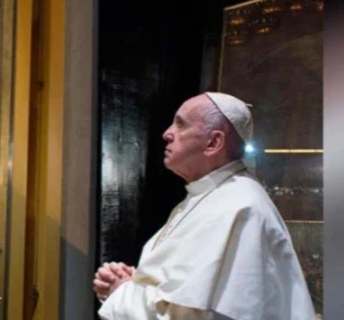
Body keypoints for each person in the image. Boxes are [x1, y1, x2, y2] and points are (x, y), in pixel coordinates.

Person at [93, 92, 316, 319]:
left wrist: (121, 294)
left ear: (214, 142)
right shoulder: (209, 196)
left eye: (181, 125)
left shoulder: (238, 206)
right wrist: (133, 285)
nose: (167, 133)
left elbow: (196, 314)